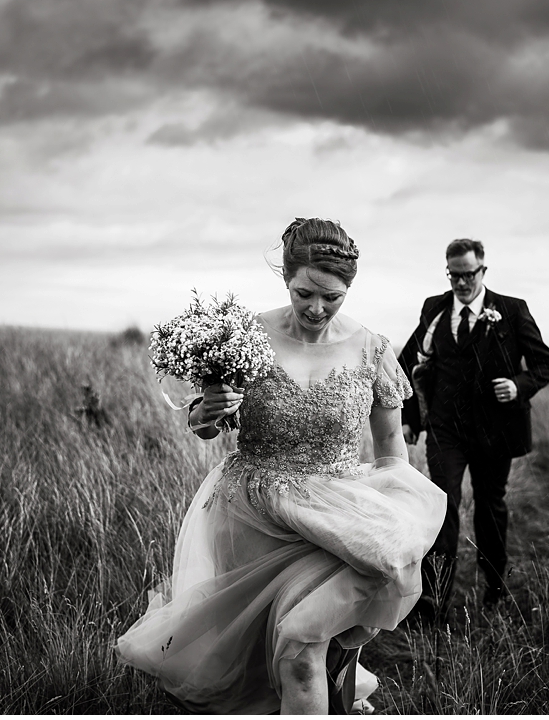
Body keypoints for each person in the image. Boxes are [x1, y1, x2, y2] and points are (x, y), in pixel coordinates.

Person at [115, 218, 447, 714]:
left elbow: (391, 449)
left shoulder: (372, 349)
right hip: (252, 517)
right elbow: (208, 426)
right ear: (286, 278)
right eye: (304, 293)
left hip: (336, 518)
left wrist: (391, 518)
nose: (316, 308)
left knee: (301, 646)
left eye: (331, 297)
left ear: (348, 289)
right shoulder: (245, 337)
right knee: (267, 652)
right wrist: (203, 414)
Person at [398, 238, 549, 621]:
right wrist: (409, 417)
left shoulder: (511, 310)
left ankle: (495, 590)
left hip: (495, 431)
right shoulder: (434, 309)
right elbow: (407, 360)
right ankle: (433, 601)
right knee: (442, 507)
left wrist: (519, 385)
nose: (461, 283)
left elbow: (545, 363)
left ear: (483, 270)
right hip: (445, 429)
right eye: (454, 275)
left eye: (468, 274)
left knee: (489, 508)